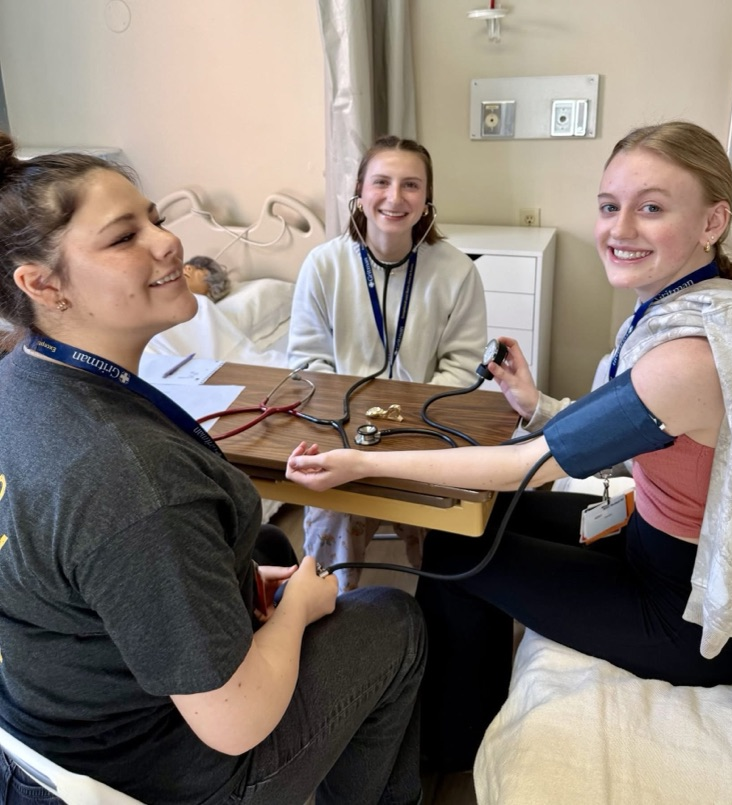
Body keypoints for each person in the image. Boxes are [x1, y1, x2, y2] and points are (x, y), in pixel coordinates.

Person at [286, 121, 732, 771]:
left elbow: (523, 465)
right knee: (474, 517)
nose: (620, 229)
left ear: (713, 221)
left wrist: (361, 463)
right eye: (610, 206)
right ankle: (454, 713)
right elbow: (625, 433)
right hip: (656, 539)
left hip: (688, 609)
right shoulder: (701, 306)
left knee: (455, 548)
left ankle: (447, 752)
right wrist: (537, 405)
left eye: (651, 208)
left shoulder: (686, 354)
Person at [0, 132, 426, 805]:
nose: (167, 244)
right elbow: (235, 723)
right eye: (123, 237)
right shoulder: (128, 474)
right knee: (392, 619)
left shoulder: (21, 381)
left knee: (267, 542)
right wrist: (296, 613)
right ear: (42, 284)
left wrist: (243, 587)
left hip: (49, 718)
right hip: (162, 772)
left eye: (156, 219)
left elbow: (99, 565)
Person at [287, 135, 488, 590]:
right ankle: (322, 617)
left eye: (411, 185)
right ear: (359, 192)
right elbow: (306, 362)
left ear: (427, 200)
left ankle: (437, 625)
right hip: (340, 430)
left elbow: (461, 366)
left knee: (444, 544)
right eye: (381, 182)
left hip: (424, 433)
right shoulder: (323, 265)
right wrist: (355, 429)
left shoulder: (457, 271)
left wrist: (405, 429)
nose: (395, 198)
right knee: (329, 525)